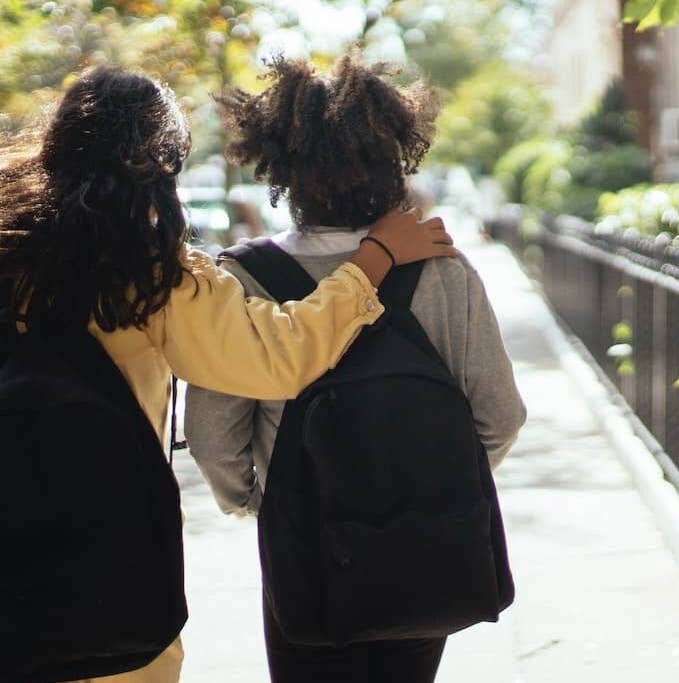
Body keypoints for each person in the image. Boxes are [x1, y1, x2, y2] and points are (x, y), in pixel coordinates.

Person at [0, 67, 455, 683]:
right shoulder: (146, 279)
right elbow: (280, 355)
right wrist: (377, 258)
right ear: (158, 165)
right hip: (114, 590)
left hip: (6, 604)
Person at [185, 55, 526, 683]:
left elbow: (213, 436)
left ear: (281, 167)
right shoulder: (444, 270)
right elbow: (501, 415)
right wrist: (436, 480)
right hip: (427, 537)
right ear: (394, 156)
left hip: (305, 540)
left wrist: (257, 500)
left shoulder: (244, 279)